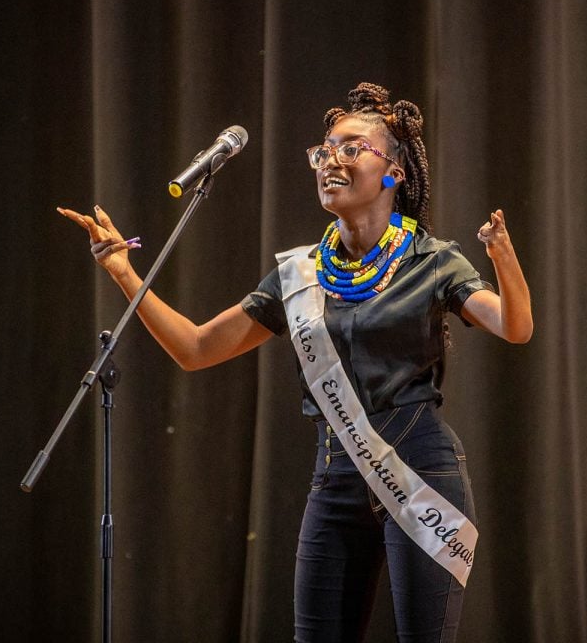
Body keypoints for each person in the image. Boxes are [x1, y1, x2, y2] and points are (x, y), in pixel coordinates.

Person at [59, 82, 533, 642]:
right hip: (335, 479)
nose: (331, 158)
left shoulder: (432, 261)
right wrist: (121, 269)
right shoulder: (300, 274)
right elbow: (195, 349)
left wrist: (502, 256)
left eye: (352, 148)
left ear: (394, 174)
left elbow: (514, 325)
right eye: (324, 149)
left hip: (420, 477)